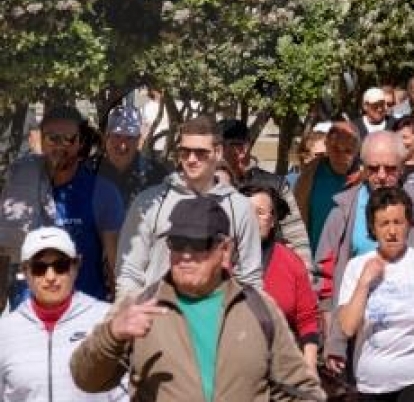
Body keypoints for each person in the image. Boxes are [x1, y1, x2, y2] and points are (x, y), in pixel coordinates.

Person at [72, 197, 324, 400]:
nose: (186, 255)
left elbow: (300, 392)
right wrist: (112, 335)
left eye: (199, 244)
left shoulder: (258, 309)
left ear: (225, 250)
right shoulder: (140, 306)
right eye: (177, 243)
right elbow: (85, 379)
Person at [336, 187, 414, 400]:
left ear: (409, 224)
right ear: (373, 228)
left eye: (398, 222)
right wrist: (364, 283)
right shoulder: (356, 267)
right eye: (384, 224)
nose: (392, 231)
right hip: (373, 381)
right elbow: (348, 328)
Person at [117, 116, 263, 296]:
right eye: (185, 152)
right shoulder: (150, 202)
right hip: (158, 309)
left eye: (201, 152)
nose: (191, 159)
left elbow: (250, 278)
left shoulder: (240, 207)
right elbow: (129, 272)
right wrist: (133, 309)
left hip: (216, 311)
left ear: (218, 152)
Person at [314, 130, 414, 306]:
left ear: (402, 167)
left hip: (411, 314)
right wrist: (328, 312)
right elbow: (325, 272)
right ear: (363, 168)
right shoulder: (343, 210)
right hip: (356, 313)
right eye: (373, 169)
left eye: (390, 168)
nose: (381, 176)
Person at [0, 106, 125, 304]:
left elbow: (115, 265)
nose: (60, 146)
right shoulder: (19, 186)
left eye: (69, 139)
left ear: (80, 142)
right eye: (53, 138)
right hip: (28, 308)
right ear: (41, 140)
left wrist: (119, 309)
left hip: (83, 310)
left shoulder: (101, 193)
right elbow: (5, 246)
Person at [0, 227, 124, 400]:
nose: (51, 277)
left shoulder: (106, 319)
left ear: (76, 266)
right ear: (25, 271)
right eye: (39, 268)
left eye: (61, 266)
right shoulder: (5, 331)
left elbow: (123, 392)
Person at [238, 184, 322, 374]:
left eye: (260, 212)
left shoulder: (290, 262)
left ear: (273, 220)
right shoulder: (221, 260)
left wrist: (310, 366)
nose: (252, 219)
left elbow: (307, 319)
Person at [221, 120, 315, 280]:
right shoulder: (210, 185)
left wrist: (306, 276)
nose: (212, 155)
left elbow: (297, 237)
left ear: (243, 148)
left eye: (219, 148)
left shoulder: (276, 186)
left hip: (270, 275)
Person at [296, 120, 364, 252]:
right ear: (326, 145)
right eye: (335, 149)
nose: (341, 156)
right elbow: (297, 216)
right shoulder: (311, 174)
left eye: (348, 151)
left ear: (357, 151)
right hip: (315, 255)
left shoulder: (365, 177)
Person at [92, 105, 172, 207]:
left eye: (129, 138)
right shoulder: (89, 170)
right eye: (117, 136)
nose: (123, 145)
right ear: (106, 137)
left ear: (138, 140)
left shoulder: (155, 173)